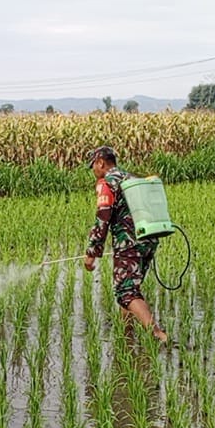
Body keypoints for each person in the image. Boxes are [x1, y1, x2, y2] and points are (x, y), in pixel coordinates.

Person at [83, 146, 168, 343]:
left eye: (93, 166)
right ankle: (126, 334)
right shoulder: (131, 178)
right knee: (130, 289)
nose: (93, 171)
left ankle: (158, 334)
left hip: (128, 242)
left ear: (101, 163)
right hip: (149, 239)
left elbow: (102, 218)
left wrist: (92, 252)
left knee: (125, 291)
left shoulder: (107, 183)